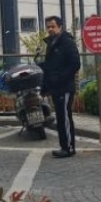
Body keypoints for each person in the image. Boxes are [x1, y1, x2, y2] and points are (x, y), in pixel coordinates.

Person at [40, 16, 81, 158]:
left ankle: (68, 147)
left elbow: (75, 64)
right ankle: (64, 146)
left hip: (65, 87)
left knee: (65, 117)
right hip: (55, 87)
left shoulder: (67, 42)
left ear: (60, 27)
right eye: (48, 27)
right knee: (60, 117)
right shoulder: (51, 44)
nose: (50, 29)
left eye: (53, 26)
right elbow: (50, 66)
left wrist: (60, 78)